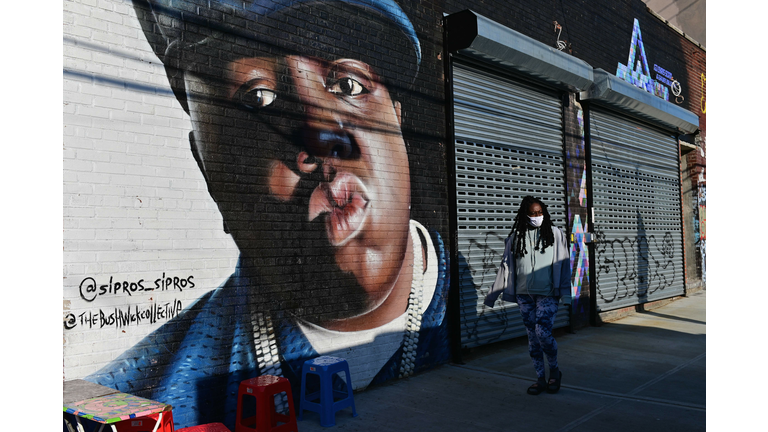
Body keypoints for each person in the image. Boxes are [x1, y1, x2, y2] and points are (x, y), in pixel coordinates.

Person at [84, 0, 449, 429]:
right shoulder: (140, 402)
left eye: (349, 85)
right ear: (208, 171)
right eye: (258, 98)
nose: (320, 134)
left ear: (399, 123)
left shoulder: (485, 306)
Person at [484, 196, 571, 395]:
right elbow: (505, 268)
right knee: (532, 338)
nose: (536, 216)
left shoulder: (555, 234)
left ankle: (554, 370)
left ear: (544, 213)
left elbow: (564, 264)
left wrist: (566, 294)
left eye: (539, 212)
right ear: (525, 214)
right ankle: (540, 378)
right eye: (532, 213)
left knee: (542, 332)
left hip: (548, 293)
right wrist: (492, 295)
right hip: (524, 295)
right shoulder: (515, 238)